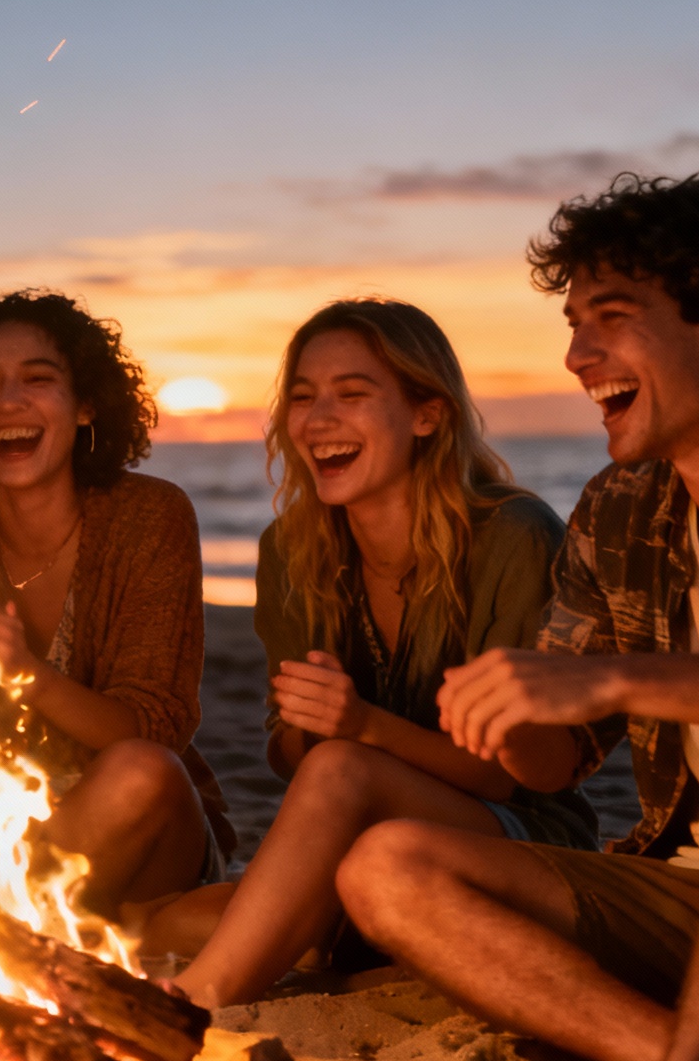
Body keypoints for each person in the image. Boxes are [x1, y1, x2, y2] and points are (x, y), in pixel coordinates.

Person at [333, 173, 699, 1061]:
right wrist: (507, 712)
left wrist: (610, 676)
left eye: (610, 318)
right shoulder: (622, 511)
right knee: (386, 866)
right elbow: (560, 757)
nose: (578, 354)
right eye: (573, 324)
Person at [144, 299, 596, 1006]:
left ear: (428, 414)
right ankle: (360, 942)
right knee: (162, 921)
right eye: (302, 397)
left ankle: (192, 1009)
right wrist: (308, 723)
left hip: (516, 843)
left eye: (352, 394)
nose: (318, 419)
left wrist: (359, 730)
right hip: (357, 848)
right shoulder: (290, 551)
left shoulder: (514, 536)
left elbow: (511, 778)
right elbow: (283, 754)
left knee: (341, 771)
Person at [0, 290, 229, 917]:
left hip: (139, 836)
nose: (9, 401)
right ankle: (134, 938)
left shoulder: (148, 518)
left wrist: (31, 678)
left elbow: (156, 730)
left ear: (86, 406)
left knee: (142, 772)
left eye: (39, 379)